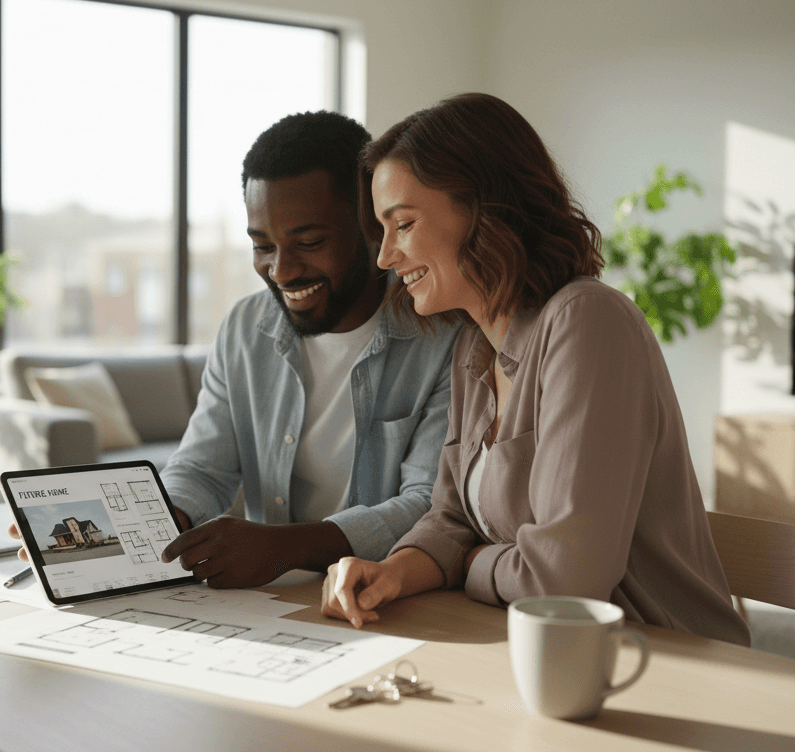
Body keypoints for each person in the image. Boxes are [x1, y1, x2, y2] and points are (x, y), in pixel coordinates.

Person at [320, 93, 750, 646]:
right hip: (551, 652)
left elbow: (564, 581)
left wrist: (473, 562)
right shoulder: (474, 348)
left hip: (664, 658)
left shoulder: (589, 322)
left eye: (402, 224)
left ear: (482, 209)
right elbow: (451, 518)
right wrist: (394, 572)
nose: (384, 257)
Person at [153, 111, 463, 589]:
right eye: (263, 246)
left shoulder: (443, 334)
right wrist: (148, 528)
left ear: (371, 224)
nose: (281, 270)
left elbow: (430, 503)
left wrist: (284, 548)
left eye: (309, 241)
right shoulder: (243, 327)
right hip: (267, 602)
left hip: (389, 597)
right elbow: (200, 469)